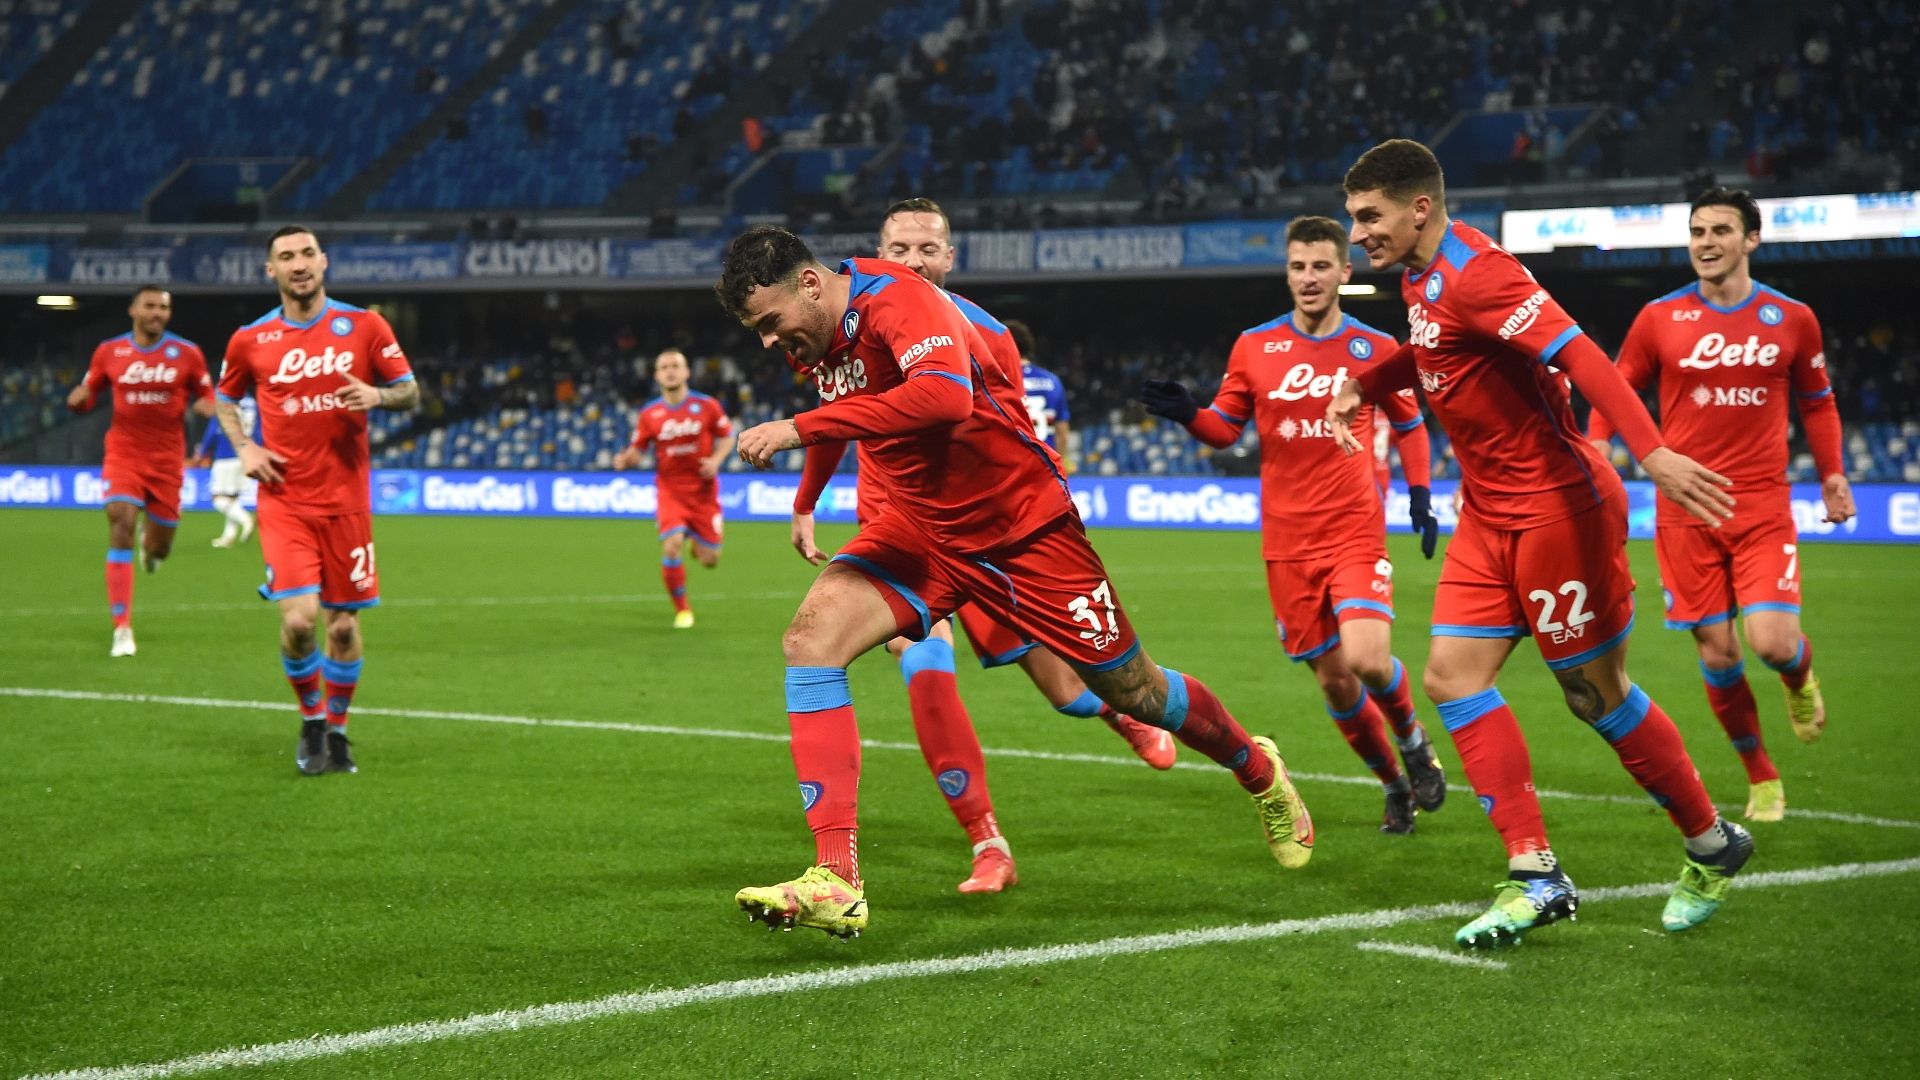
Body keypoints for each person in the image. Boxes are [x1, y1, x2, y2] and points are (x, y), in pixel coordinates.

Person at [719, 225, 1315, 939]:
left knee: (1135, 691)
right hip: (923, 532)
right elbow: (836, 419)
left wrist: (794, 429)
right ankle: (836, 878)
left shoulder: (897, 302)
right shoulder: (813, 336)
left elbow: (943, 399)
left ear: (810, 285)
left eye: (768, 321)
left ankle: (1258, 769)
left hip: (1022, 533)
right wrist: (807, 493)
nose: (766, 341)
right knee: (810, 641)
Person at [1325, 139, 1752, 946]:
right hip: (1488, 516)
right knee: (1451, 679)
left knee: (1596, 696)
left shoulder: (1481, 272)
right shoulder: (1421, 276)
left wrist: (1652, 449)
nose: (1359, 236)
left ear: (1419, 208)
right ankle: (1535, 871)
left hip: (1561, 510)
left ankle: (1711, 841)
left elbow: (1580, 352)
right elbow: (1432, 354)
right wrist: (1368, 384)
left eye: (1368, 218)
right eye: (1354, 220)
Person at [787, 199, 1176, 897]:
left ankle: (1118, 710)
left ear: (950, 256)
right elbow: (830, 415)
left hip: (991, 531)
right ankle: (987, 843)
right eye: (898, 247)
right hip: (902, 532)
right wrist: (806, 501)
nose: (912, 260)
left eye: (927, 248)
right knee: (925, 667)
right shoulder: (848, 327)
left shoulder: (979, 333)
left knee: (1064, 689)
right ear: (875, 255)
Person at [1142, 214, 1447, 834]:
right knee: (1335, 684)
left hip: (1355, 528)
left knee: (1366, 658)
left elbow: (1411, 423)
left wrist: (1419, 494)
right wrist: (1189, 414)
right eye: (1297, 267)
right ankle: (1394, 783)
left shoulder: (1373, 348)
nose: (1308, 278)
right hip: (1287, 543)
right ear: (1288, 272)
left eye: (1319, 266)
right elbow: (1227, 428)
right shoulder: (1254, 346)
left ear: (1344, 270)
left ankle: (1414, 740)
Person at [1588, 186, 1850, 823]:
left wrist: (1834, 475)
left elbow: (1816, 401)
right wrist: (1596, 445)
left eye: (1720, 232)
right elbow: (1615, 390)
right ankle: (1761, 776)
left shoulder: (1792, 318)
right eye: (1698, 232)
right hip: (1685, 510)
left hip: (1761, 505)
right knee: (1718, 654)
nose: (1706, 243)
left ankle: (1797, 677)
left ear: (1750, 240)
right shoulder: (1659, 318)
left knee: (1772, 641)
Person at [214, 225, 419, 776]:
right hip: (285, 500)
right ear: (271, 270)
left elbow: (409, 390)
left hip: (348, 502)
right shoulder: (250, 340)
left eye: (307, 253)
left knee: (344, 628)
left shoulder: (366, 325)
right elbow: (225, 396)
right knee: (302, 620)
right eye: (286, 256)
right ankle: (310, 718)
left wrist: (377, 394)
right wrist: (245, 448)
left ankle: (339, 730)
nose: (299, 263)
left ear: (324, 261)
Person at [66, 285, 215, 657]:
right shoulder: (110, 351)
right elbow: (89, 392)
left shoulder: (187, 353)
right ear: (133, 310)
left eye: (163, 307)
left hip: (167, 461)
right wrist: (79, 402)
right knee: (120, 519)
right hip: (124, 454)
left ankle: (152, 548)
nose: (157, 313)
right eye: (150, 306)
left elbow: (208, 394)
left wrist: (208, 405)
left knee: (160, 548)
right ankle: (122, 629)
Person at [612, 348, 735, 629]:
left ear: (686, 372)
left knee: (710, 560)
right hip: (671, 492)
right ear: (656, 375)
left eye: (675, 365)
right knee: (671, 545)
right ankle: (682, 610)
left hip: (703, 493)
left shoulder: (707, 406)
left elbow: (727, 437)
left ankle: (695, 537)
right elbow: (638, 449)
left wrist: (715, 460)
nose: (670, 370)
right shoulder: (650, 413)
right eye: (664, 366)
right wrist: (627, 459)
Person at [192, 391, 258, 548]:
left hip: (225, 454)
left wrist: (202, 451)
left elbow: (214, 429)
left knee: (217, 498)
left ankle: (245, 519)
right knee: (232, 498)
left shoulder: (226, 399)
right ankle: (228, 536)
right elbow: (258, 429)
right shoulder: (252, 402)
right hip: (245, 453)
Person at [1004, 319, 1072, 466]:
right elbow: (1062, 430)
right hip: (1047, 464)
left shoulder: (1004, 380)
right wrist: (1060, 464)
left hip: (1016, 464)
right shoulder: (1052, 381)